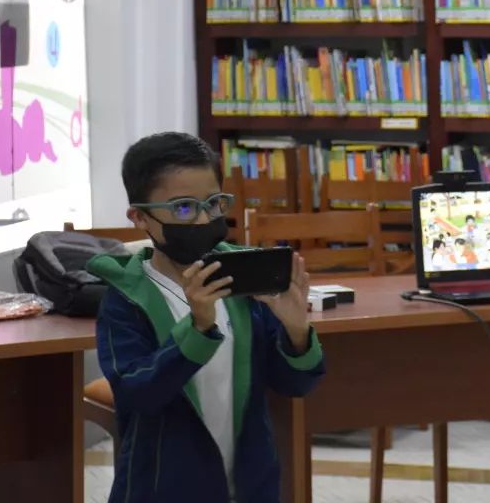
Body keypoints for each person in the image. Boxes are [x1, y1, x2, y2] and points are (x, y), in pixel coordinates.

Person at [86, 132, 325, 503]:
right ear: (140, 218)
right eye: (183, 208)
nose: (203, 219)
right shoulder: (126, 299)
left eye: (214, 203)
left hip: (247, 486)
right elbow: (138, 395)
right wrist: (198, 329)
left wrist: (296, 331)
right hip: (161, 488)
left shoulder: (243, 280)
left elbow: (294, 385)